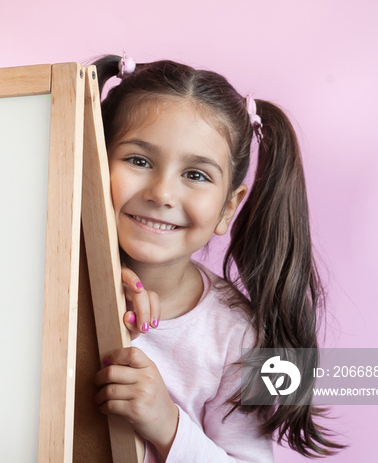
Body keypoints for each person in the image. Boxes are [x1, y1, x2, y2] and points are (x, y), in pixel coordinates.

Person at [91, 53, 344, 462]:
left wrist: (166, 424)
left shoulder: (238, 338)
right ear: (93, 165)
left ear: (228, 207)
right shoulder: (48, 274)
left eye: (196, 175)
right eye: (139, 161)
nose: (162, 193)